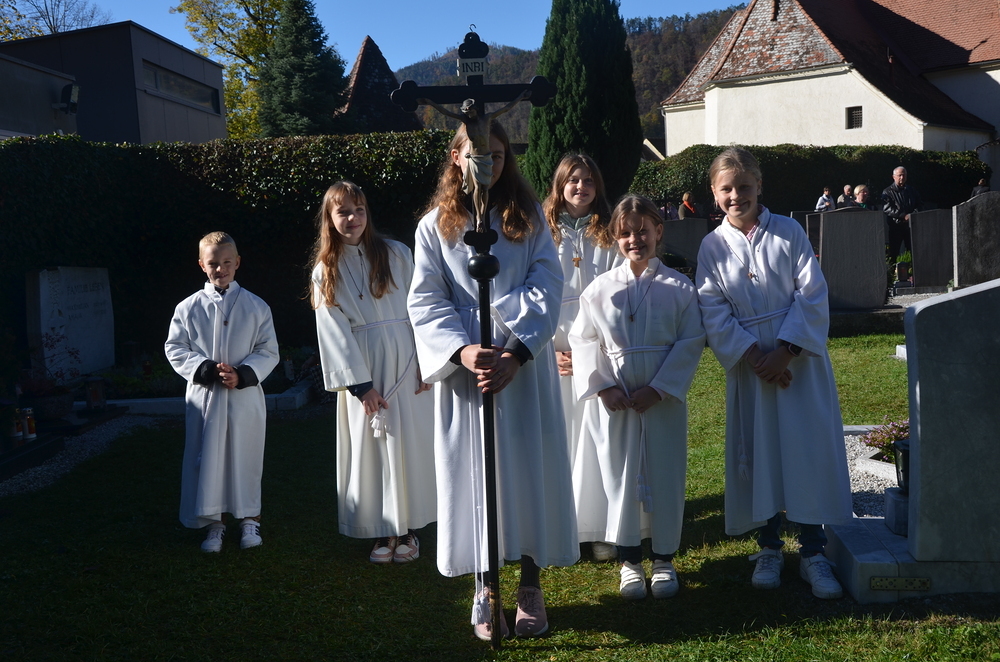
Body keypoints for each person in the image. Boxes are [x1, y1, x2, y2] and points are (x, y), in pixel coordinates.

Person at [407, 120, 578, 640]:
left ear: (508, 159)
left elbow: (548, 282)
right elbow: (425, 299)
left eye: (497, 156)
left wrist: (515, 351)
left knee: (528, 471)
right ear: (456, 157)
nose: (488, 165)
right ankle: (486, 586)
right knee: (474, 476)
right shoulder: (434, 226)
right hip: (469, 375)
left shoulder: (527, 217)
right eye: (477, 155)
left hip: (521, 370)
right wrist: (463, 350)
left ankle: (530, 584)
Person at [695, 148, 853, 600]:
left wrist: (785, 352)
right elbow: (712, 307)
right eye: (726, 189)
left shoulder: (788, 231)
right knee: (760, 449)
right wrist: (754, 357)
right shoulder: (711, 247)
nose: (736, 196)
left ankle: (813, 551)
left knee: (805, 449)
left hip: (798, 366)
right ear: (714, 192)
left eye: (744, 186)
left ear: (759, 185)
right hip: (752, 370)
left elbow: (812, 292)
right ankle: (768, 546)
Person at [569, 195, 705, 600]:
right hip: (618, 402)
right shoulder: (599, 289)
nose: (635, 239)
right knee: (620, 477)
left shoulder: (679, 287)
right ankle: (629, 561)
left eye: (643, 231)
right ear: (615, 236)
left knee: (665, 474)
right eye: (625, 233)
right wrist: (604, 386)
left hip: (661, 401)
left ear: (658, 231)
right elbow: (582, 339)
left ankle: (664, 559)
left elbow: (691, 340)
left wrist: (660, 388)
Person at [310, 181, 436, 565]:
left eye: (359, 210)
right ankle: (384, 529)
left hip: (407, 360)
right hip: (364, 366)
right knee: (374, 447)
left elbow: (423, 307)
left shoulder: (397, 253)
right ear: (329, 219)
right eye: (343, 212)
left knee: (409, 443)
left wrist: (428, 362)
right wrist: (361, 387)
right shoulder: (325, 271)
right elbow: (332, 331)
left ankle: (410, 529)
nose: (353, 218)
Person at [165, 231, 279, 552]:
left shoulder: (256, 306)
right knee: (208, 459)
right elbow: (175, 347)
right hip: (206, 398)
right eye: (213, 263)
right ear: (202, 265)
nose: (221, 269)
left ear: (237, 262)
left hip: (244, 398)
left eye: (227, 262)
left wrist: (243, 374)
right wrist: (205, 369)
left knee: (245, 457)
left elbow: (268, 350)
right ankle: (214, 523)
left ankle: (250, 520)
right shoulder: (188, 307)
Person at [542, 153, 619, 563]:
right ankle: (563, 527)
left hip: (597, 351)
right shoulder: (541, 231)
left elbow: (618, 293)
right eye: (573, 179)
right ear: (560, 185)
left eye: (589, 180)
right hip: (553, 353)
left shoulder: (609, 231)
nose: (581, 187)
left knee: (596, 441)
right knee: (562, 443)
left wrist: (593, 350)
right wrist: (547, 350)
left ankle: (599, 528)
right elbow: (529, 294)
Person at [882, 166, 922, 260]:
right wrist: (903, 216)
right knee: (894, 252)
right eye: (899, 175)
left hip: (910, 226)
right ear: (893, 177)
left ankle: (911, 268)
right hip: (895, 226)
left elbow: (920, 204)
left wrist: (912, 215)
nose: (902, 177)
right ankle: (893, 269)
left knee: (912, 251)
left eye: (904, 175)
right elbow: (887, 208)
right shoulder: (887, 191)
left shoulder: (911, 190)